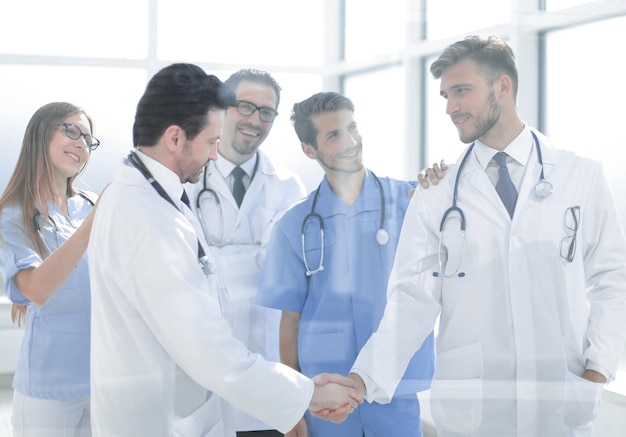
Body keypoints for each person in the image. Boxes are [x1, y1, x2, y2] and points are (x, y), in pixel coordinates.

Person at [347, 35, 626, 436]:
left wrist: (598, 368)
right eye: (445, 95)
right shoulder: (437, 192)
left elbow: (612, 278)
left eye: (461, 91)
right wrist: (364, 378)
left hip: (561, 396)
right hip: (473, 409)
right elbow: (412, 300)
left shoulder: (580, 175)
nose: (450, 107)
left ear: (502, 86)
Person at [87, 63, 362, 437]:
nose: (215, 155)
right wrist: (309, 394)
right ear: (174, 138)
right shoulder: (151, 222)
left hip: (199, 391)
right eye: (211, 142)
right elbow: (208, 350)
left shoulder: (148, 197)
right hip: (162, 414)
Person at [257, 91, 435, 437]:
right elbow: (289, 322)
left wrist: (440, 177)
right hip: (326, 395)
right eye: (334, 134)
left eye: (352, 128)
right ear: (310, 150)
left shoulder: (411, 201)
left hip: (393, 390)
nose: (352, 141)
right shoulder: (294, 225)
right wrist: (292, 405)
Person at [188, 69, 306, 437]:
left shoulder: (288, 187)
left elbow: (294, 283)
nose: (255, 120)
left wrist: (219, 261)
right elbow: (180, 270)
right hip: (202, 368)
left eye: (266, 112)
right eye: (245, 106)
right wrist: (256, 261)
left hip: (267, 371)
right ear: (223, 108)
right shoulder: (188, 183)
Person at [0, 102, 100, 436]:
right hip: (48, 386)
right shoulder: (12, 215)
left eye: (88, 139)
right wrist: (96, 222)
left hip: (100, 378)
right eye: (71, 130)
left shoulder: (88, 204)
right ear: (40, 134)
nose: (81, 144)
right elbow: (37, 289)